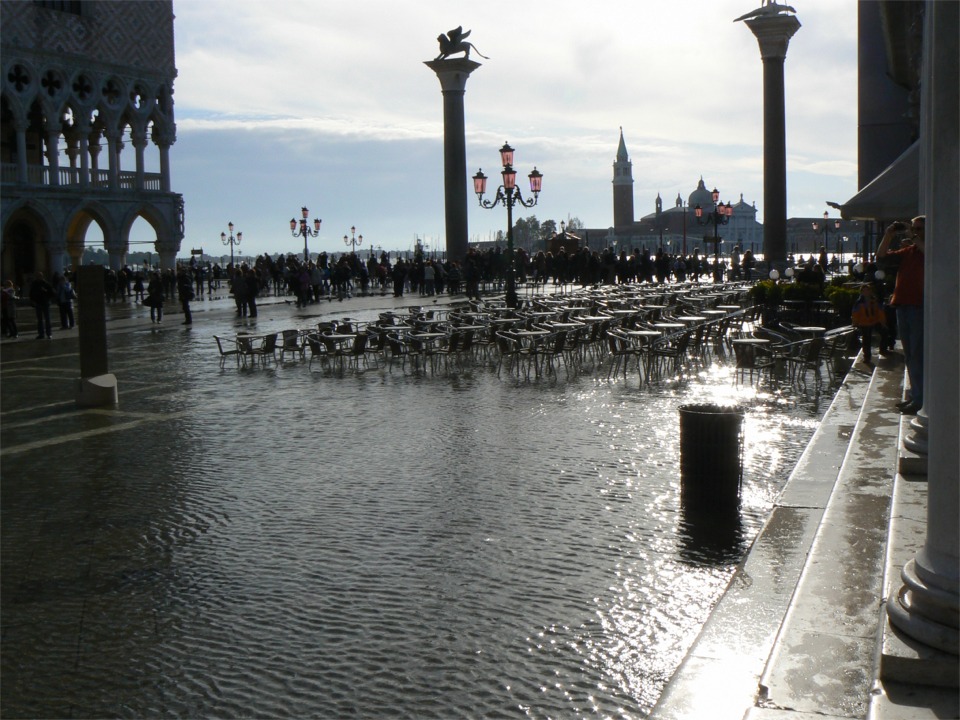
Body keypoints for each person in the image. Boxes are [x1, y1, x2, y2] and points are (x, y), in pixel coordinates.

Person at [877, 216, 924, 414]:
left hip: (918, 307)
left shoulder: (927, 249)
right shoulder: (908, 251)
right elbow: (881, 258)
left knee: (918, 354)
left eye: (919, 228)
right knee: (910, 355)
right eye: (914, 228)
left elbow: (930, 252)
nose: (915, 231)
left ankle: (920, 399)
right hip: (903, 306)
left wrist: (913, 236)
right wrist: (888, 235)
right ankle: (916, 395)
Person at [851, 283, 889, 366]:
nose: (866, 292)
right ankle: (867, 357)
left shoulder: (875, 301)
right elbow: (855, 314)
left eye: (867, 290)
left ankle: (883, 349)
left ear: (870, 291)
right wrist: (855, 323)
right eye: (864, 291)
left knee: (884, 333)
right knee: (866, 340)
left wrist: (883, 322)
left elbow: (880, 312)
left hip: (875, 321)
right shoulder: (859, 303)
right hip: (864, 323)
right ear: (861, 292)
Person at [29, 272, 54, 339]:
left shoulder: (46, 284)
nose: (38, 277)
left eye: (39, 276)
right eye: (37, 276)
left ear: (42, 277)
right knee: (39, 320)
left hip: (45, 303)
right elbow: (31, 293)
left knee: (47, 319)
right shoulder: (34, 284)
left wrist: (45, 291)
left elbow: (52, 293)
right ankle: (41, 334)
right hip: (38, 303)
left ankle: (49, 334)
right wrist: (32, 301)